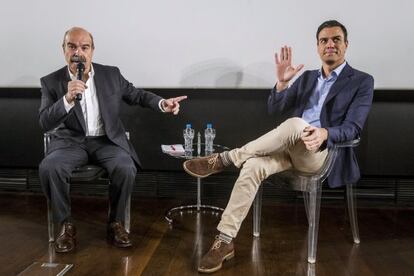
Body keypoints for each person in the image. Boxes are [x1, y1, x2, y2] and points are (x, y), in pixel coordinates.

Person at [183, 20, 374, 273]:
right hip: (289, 150)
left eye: (336, 39)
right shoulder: (307, 78)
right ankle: (225, 241)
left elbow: (354, 127)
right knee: (252, 165)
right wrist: (282, 84)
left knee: (296, 123)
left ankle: (225, 158)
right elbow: (275, 109)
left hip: (321, 152)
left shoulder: (361, 81)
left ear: (346, 45)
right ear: (317, 47)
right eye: (324, 40)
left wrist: (325, 132)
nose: (330, 44)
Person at [39, 27, 187, 253]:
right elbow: (44, 122)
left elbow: (137, 95)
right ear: (64, 50)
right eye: (72, 46)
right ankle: (65, 226)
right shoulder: (51, 82)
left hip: (106, 141)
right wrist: (67, 99)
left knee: (125, 167)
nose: (78, 52)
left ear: (92, 51)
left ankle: (116, 223)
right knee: (50, 167)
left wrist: (162, 103)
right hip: (71, 143)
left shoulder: (111, 74)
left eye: (84, 47)